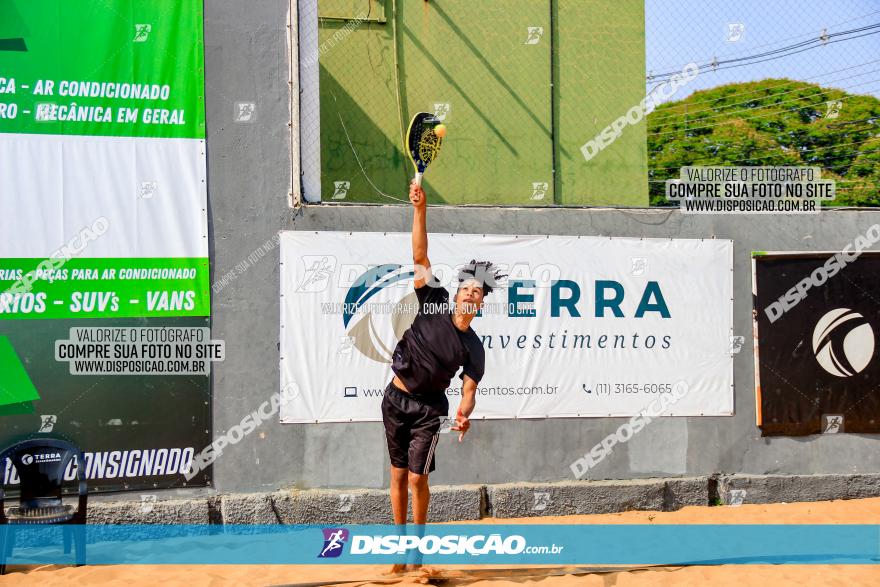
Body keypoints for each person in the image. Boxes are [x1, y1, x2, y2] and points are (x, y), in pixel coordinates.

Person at [381, 181, 505, 573]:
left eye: (477, 292)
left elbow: (468, 391)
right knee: (397, 476)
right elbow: (420, 254)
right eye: (466, 287)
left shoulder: (474, 347)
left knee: (418, 480)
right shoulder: (432, 301)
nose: (470, 294)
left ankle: (417, 551)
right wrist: (420, 209)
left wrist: (465, 414)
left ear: (481, 303)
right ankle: (400, 550)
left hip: (429, 411)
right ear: (455, 294)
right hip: (394, 399)